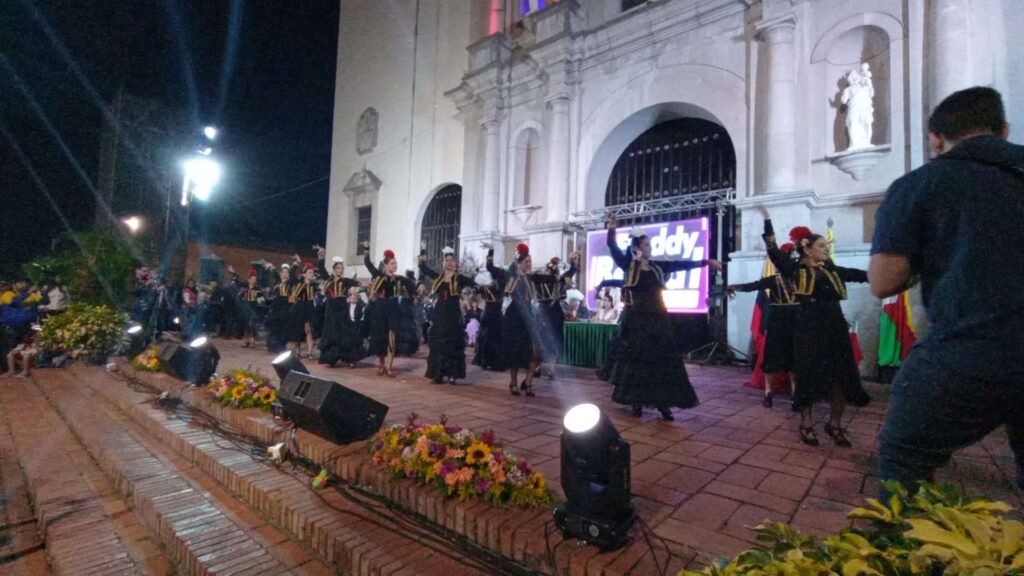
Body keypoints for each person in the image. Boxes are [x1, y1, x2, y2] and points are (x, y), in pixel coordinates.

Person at [871, 86, 1024, 492]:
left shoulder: (921, 184)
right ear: (1003, 130)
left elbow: (883, 281)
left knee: (904, 457)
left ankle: (905, 549)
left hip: (970, 352)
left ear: (936, 138)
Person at [763, 218, 869, 446]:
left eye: (826, 246)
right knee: (808, 375)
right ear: (807, 249)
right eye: (821, 246)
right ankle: (806, 424)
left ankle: (835, 424)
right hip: (808, 328)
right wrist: (767, 221)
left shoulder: (833, 271)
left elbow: (861, 275)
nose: (826, 249)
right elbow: (773, 252)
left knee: (841, 376)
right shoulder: (795, 269)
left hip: (835, 328)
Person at [605, 214, 720, 420]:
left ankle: (663, 403)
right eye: (647, 244)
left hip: (658, 318)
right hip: (637, 320)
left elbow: (680, 264)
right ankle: (637, 400)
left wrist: (706, 262)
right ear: (638, 247)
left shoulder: (657, 266)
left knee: (662, 361)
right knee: (639, 361)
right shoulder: (628, 265)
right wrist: (612, 228)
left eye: (649, 244)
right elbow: (612, 247)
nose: (650, 247)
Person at [727, 241, 799, 408]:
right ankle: (768, 392)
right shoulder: (772, 280)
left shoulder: (801, 280)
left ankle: (796, 394)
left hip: (795, 322)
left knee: (794, 360)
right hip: (777, 323)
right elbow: (752, 286)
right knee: (771, 359)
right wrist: (733, 287)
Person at [485, 243, 555, 397]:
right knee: (515, 353)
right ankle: (513, 383)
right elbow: (490, 267)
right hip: (513, 318)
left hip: (529, 318)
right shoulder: (508, 276)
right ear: (519, 263)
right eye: (526, 262)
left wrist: (555, 267)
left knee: (534, 353)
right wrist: (491, 250)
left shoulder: (532, 278)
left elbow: (550, 278)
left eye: (530, 262)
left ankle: (528, 383)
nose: (529, 265)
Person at [419, 242, 477, 385]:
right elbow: (422, 267)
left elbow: (473, 283)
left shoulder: (459, 278)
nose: (449, 262)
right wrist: (423, 249)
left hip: (452, 313)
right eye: (447, 260)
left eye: (452, 260)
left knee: (452, 343)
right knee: (438, 343)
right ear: (443, 262)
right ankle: (438, 373)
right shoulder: (438, 277)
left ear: (455, 263)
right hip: (440, 312)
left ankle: (453, 374)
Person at [363, 242, 419, 377]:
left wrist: (418, 288)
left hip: (394, 308)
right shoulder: (379, 276)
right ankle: (382, 364)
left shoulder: (400, 278)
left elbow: (412, 285)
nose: (395, 265)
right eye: (393, 263)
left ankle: (389, 366)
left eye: (396, 263)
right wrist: (366, 249)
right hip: (381, 308)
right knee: (381, 337)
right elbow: (368, 263)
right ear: (386, 265)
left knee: (392, 337)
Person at [318, 257, 360, 366]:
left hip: (342, 309)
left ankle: (350, 359)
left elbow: (358, 283)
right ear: (334, 270)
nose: (341, 270)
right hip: (331, 309)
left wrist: (369, 285)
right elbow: (322, 269)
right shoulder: (329, 280)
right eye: (338, 268)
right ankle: (332, 358)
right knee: (332, 333)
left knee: (345, 332)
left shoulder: (345, 281)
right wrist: (321, 257)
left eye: (342, 268)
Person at [472, 268, 505, 371]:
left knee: (485, 336)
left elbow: (474, 290)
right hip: (495, 314)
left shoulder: (486, 287)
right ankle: (494, 362)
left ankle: (484, 361)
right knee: (495, 337)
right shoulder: (502, 286)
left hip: (488, 313)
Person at [288, 261, 319, 359]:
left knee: (309, 330)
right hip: (301, 307)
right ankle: (297, 351)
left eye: (312, 272)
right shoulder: (300, 284)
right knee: (298, 330)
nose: (312, 274)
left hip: (310, 307)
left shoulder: (314, 285)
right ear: (305, 274)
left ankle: (309, 353)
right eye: (310, 272)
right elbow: (293, 297)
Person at [266, 264, 294, 353]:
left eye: (287, 272)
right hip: (276, 310)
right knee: (274, 329)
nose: (285, 274)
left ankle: (281, 345)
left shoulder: (290, 285)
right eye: (283, 272)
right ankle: (273, 345)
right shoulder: (277, 284)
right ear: (281, 273)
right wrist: (273, 268)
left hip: (285, 310)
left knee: (284, 329)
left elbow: (291, 298)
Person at [239, 270, 262, 348]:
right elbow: (239, 296)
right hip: (246, 306)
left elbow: (261, 299)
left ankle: (252, 340)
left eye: (254, 279)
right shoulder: (245, 288)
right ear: (248, 280)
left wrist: (259, 299)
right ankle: (246, 340)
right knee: (246, 324)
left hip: (253, 307)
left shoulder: (257, 288)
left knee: (251, 324)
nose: (253, 281)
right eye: (252, 279)